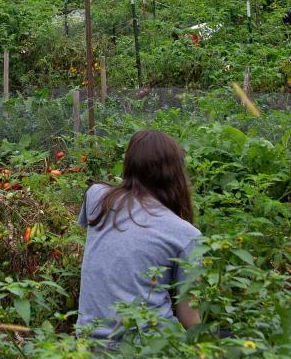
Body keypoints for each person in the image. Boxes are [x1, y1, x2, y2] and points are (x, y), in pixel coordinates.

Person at [76, 130, 201, 340]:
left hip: (87, 341)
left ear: (129, 164)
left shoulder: (96, 197)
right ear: (176, 173)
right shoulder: (185, 234)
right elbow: (189, 317)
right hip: (147, 347)